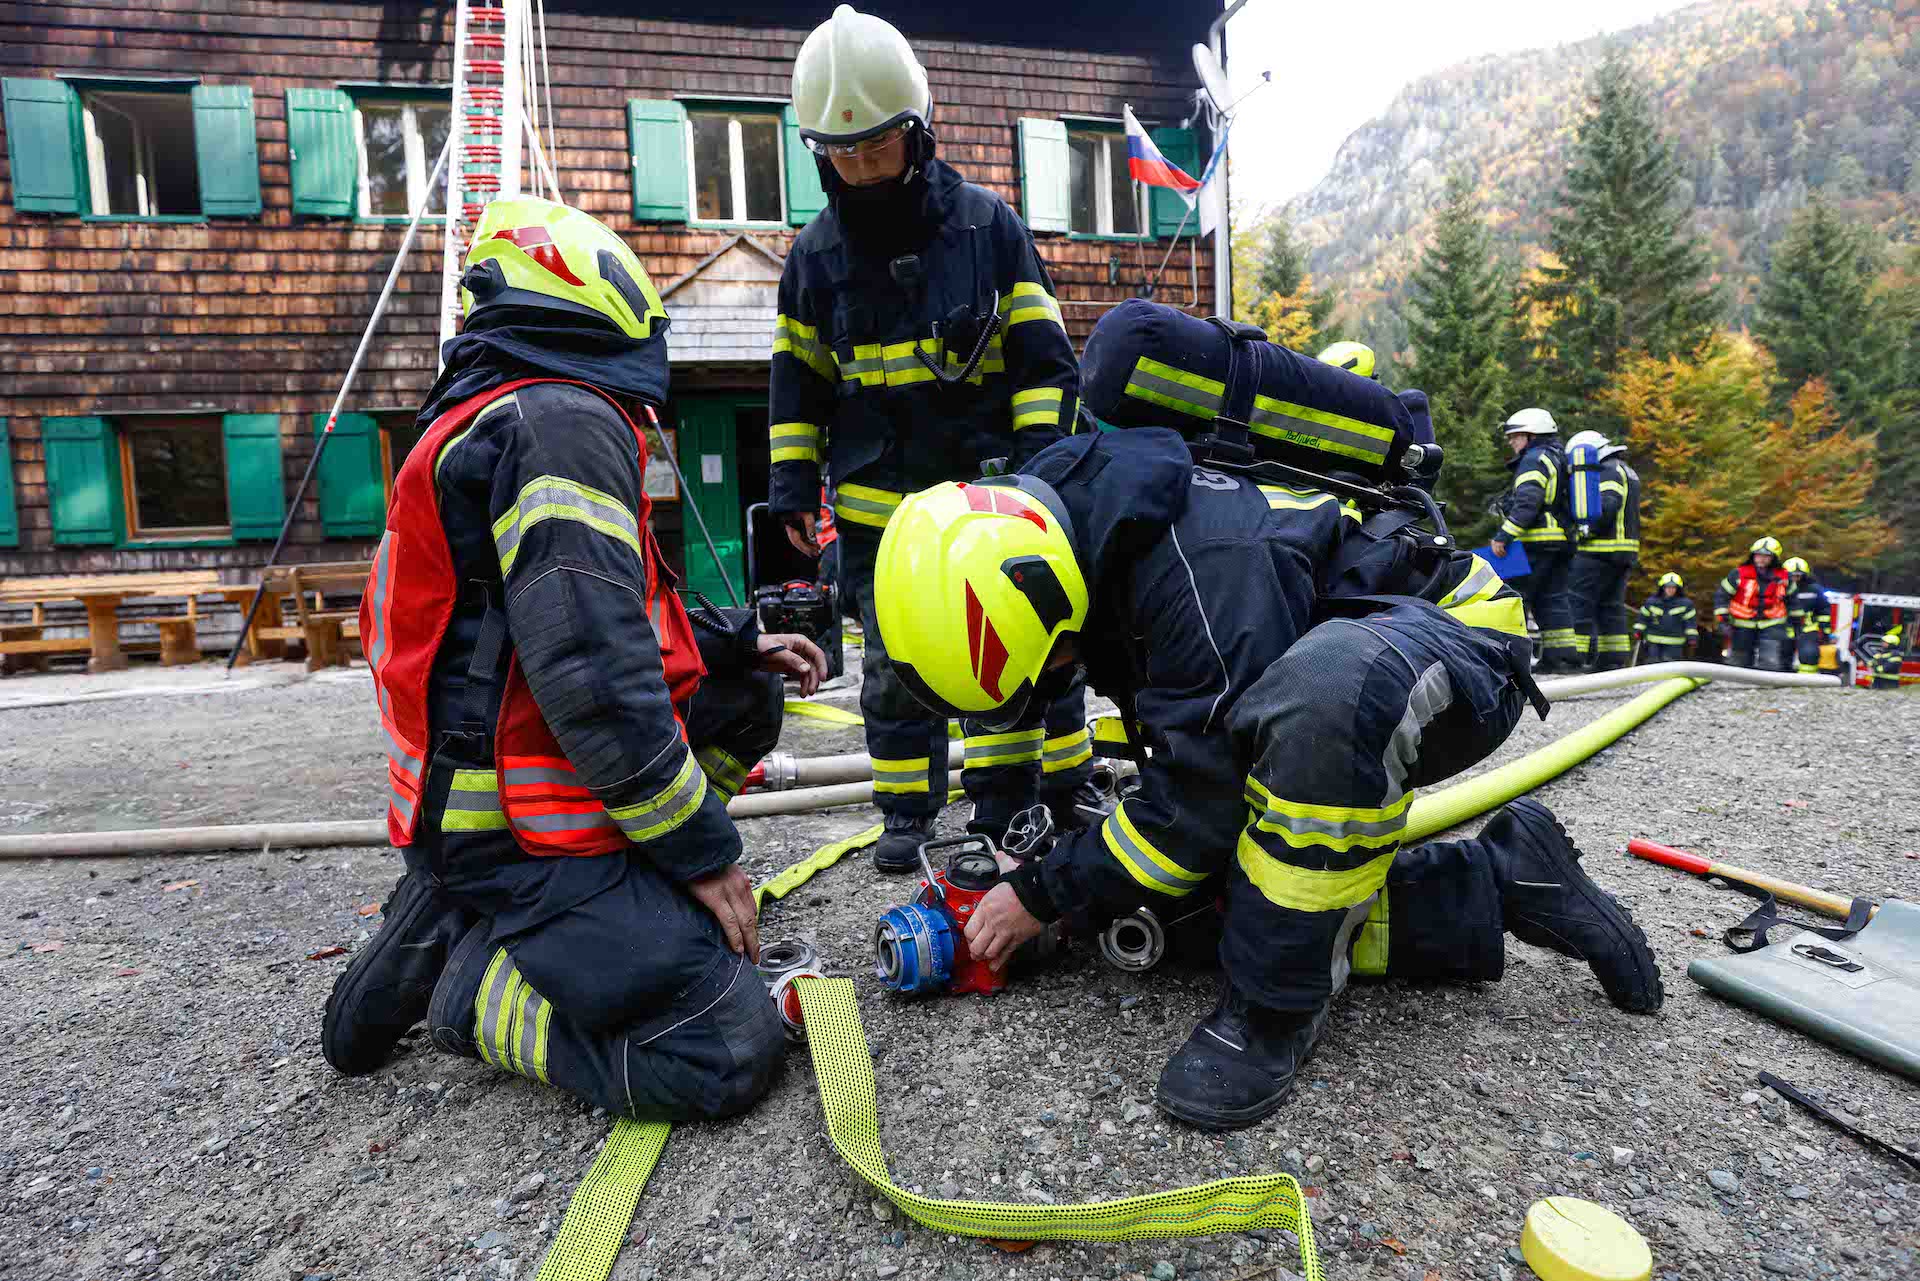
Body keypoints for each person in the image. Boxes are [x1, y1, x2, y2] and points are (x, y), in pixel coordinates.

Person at [870, 304, 1664, 1131]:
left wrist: (1042, 889)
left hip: (1453, 641)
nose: (1058, 683)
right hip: (1341, 647)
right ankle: (1500, 880)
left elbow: (1198, 804)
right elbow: (1163, 751)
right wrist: (1014, 848)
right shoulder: (1069, 523)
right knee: (1175, 913)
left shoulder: (1203, 565)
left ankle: (1275, 1007)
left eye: (1052, 669)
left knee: (1325, 699)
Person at [320, 197, 830, 1123]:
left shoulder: (510, 410)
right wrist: (704, 856)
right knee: (725, 1044)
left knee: (745, 693)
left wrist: (733, 642)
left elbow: (588, 610)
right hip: (515, 828)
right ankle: (473, 983)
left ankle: (471, 902)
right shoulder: (561, 419)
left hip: (470, 798)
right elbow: (593, 675)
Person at [769, 4, 1097, 871]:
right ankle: (906, 813)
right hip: (881, 514)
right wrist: (795, 491)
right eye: (842, 154)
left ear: (920, 131)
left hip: (993, 505)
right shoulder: (813, 258)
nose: (863, 170)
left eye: (877, 148)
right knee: (894, 670)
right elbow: (798, 386)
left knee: (1024, 654)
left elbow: (1044, 365)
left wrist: (1039, 482)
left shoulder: (988, 230)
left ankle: (1036, 796)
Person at [1490, 408, 1578, 673]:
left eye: (1516, 436)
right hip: (1560, 541)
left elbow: (1528, 502)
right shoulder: (1557, 457)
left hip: (1535, 542)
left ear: (1531, 435)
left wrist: (1504, 535)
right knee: (1552, 599)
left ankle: (1510, 661)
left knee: (1513, 596)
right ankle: (1560, 659)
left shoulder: (1534, 458)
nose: (1511, 442)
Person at [1564, 430, 1640, 670]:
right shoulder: (1626, 469)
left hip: (1599, 550)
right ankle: (1613, 660)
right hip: (1624, 552)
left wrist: (1586, 529)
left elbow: (1607, 504)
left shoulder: (1607, 470)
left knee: (1578, 602)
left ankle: (1575, 657)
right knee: (1611, 607)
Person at [1714, 536, 1791, 671]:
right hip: (1742, 624)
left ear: (1774, 558)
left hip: (1772, 624)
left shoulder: (1784, 577)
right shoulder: (1738, 574)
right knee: (1739, 661)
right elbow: (1722, 595)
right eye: (1758, 555)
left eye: (1766, 556)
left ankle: (1767, 688)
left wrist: (1794, 624)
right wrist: (1723, 619)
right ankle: (1736, 688)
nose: (1761, 558)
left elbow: (1793, 600)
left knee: (1770, 661)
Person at [1633, 573, 1697, 665]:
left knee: (1670, 667)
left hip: (1675, 642)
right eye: (1668, 587)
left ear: (1678, 589)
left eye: (1673, 587)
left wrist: (1692, 638)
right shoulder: (1651, 602)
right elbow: (1642, 619)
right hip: (1653, 640)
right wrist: (1638, 631)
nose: (1670, 590)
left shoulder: (1686, 604)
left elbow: (1690, 623)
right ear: (1662, 587)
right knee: (1652, 665)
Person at [1782, 557, 1827, 675]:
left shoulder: (1814, 590)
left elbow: (1824, 610)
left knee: (1809, 654)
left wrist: (1825, 630)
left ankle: (1807, 680)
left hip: (1807, 628)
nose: (1795, 578)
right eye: (1792, 576)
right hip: (1784, 628)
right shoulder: (1778, 589)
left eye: (1798, 575)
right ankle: (1780, 678)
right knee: (1781, 655)